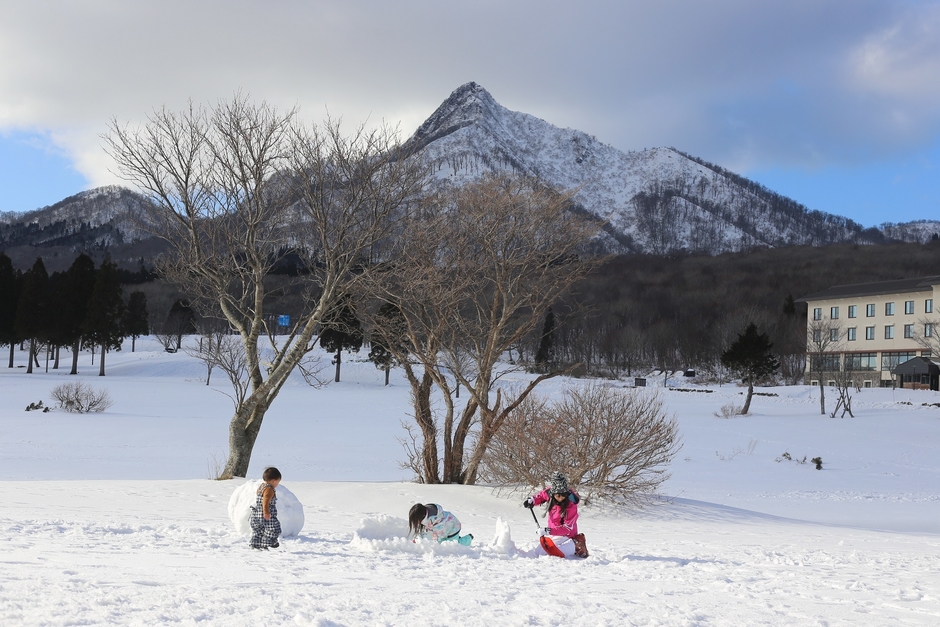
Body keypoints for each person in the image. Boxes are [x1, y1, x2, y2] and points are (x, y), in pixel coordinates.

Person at [523, 471, 588, 558]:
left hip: (567, 535)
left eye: (563, 495)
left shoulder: (571, 505)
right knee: (539, 552)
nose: (560, 498)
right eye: (558, 495)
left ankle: (577, 544)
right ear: (553, 494)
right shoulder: (550, 492)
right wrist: (533, 500)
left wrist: (548, 531)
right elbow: (542, 496)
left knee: (550, 553)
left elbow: (567, 528)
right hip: (554, 532)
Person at [408, 503, 473, 546]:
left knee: (450, 545)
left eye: (416, 520)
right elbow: (424, 532)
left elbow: (436, 540)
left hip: (453, 527)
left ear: (421, 516)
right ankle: (455, 538)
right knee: (442, 540)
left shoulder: (436, 521)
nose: (416, 523)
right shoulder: (426, 517)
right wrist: (417, 539)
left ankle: (468, 538)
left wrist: (430, 545)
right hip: (444, 530)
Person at [250, 467, 282, 549]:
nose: (277, 485)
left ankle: (255, 544)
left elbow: (259, 497)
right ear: (273, 481)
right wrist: (266, 512)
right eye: (277, 482)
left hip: (256, 513)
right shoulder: (269, 489)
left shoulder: (262, 486)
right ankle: (268, 542)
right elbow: (266, 501)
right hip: (265, 514)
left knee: (259, 530)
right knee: (274, 528)